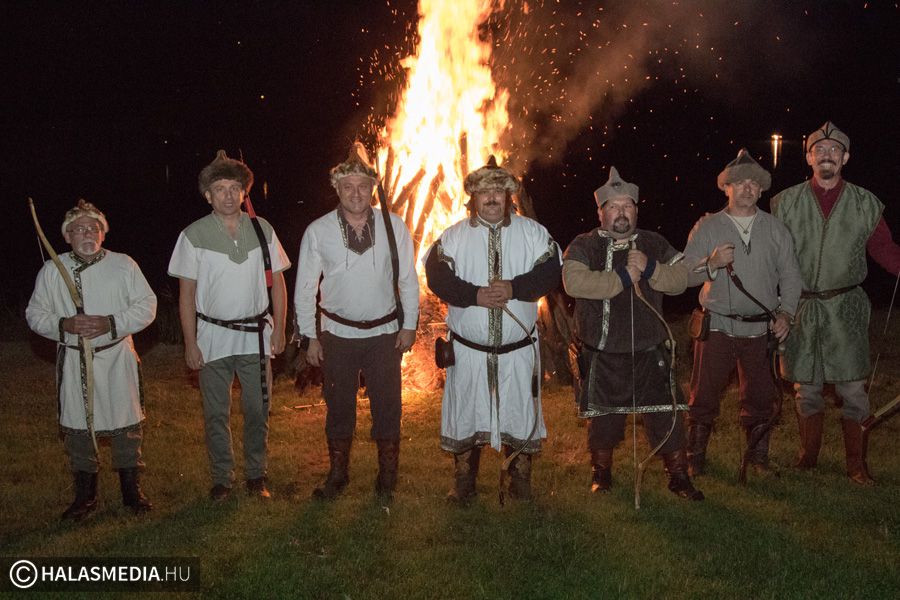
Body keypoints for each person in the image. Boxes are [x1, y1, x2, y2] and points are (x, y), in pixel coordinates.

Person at [424, 156, 561, 503]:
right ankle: (464, 481)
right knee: (467, 413)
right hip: (469, 352)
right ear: (473, 196)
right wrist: (474, 295)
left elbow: (551, 271)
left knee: (519, 412)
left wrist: (515, 288)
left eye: (498, 191)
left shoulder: (533, 233)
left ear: (508, 195)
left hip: (518, 351)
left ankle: (520, 480)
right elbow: (436, 275)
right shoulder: (454, 237)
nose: (491, 198)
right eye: (484, 191)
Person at [771, 122, 900, 485]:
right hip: (800, 307)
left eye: (834, 150)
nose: (826, 155)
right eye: (819, 150)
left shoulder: (865, 203)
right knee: (806, 387)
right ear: (809, 157)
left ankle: (856, 465)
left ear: (846, 157)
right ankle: (807, 457)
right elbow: (768, 253)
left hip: (846, 309)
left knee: (853, 389)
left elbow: (884, 249)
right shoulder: (785, 203)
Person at [562, 167, 703, 500]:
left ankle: (678, 476)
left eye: (627, 205)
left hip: (649, 347)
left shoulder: (653, 242)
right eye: (613, 206)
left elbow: (683, 278)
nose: (621, 212)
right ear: (600, 212)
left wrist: (650, 268)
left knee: (665, 413)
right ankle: (601, 473)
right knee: (604, 419)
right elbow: (574, 283)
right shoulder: (584, 244)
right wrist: (624, 277)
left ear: (636, 210)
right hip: (602, 349)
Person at [294, 143, 419, 503]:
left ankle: (387, 477)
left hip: (384, 334)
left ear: (373, 189)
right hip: (337, 334)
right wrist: (310, 336)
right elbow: (305, 287)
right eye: (348, 186)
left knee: (388, 405)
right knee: (339, 405)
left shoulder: (394, 226)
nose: (356, 193)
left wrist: (409, 325)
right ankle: (338, 474)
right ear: (337, 188)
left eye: (363, 186)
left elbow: (408, 280)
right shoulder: (318, 231)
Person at [168, 150, 290, 501]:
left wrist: (280, 329)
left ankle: (256, 474)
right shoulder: (193, 235)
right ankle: (222, 477)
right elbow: (186, 295)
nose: (227, 195)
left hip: (255, 337)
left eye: (234, 188)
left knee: (257, 408)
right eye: (219, 189)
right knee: (215, 412)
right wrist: (191, 343)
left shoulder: (262, 229)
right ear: (208, 195)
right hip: (212, 337)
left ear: (244, 192)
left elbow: (278, 284)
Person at [27, 200, 157, 520]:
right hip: (75, 361)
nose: (87, 234)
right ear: (67, 236)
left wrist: (110, 323)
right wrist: (65, 325)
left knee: (126, 425)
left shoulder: (124, 264)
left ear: (103, 233)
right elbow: (35, 314)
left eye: (93, 228)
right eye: (79, 229)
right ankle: (85, 496)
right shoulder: (52, 270)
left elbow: (147, 305)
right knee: (78, 428)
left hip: (116, 356)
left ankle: (131, 492)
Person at [682, 149, 802, 476]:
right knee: (704, 395)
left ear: (761, 190)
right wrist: (711, 263)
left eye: (753, 183)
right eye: (739, 182)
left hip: (761, 329)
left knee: (761, 397)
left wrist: (786, 314)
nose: (747, 188)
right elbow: (684, 274)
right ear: (727, 188)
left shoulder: (776, 229)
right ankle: (694, 458)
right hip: (717, 326)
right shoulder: (707, 226)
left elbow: (791, 276)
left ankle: (758, 459)